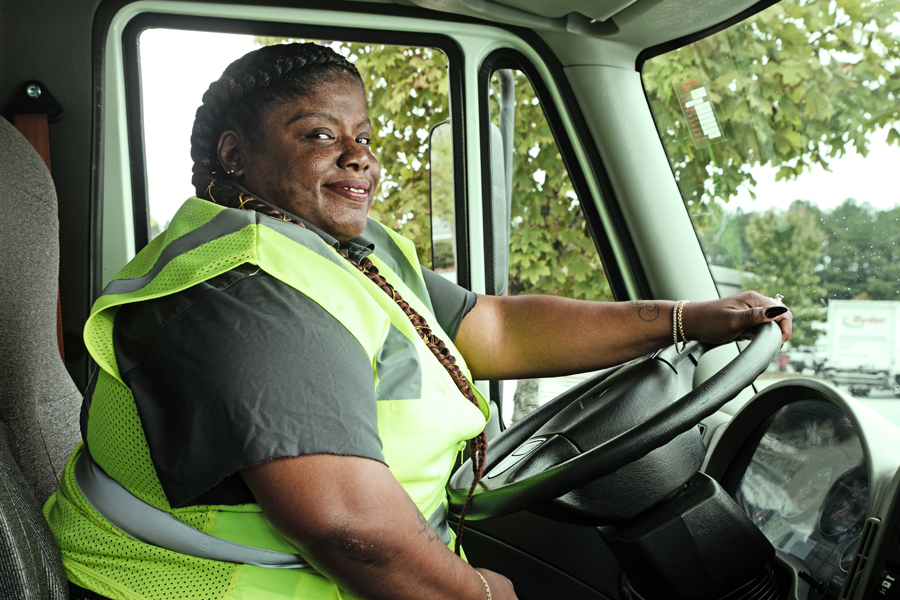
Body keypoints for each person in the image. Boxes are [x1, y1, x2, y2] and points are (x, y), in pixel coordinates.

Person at [46, 42, 792, 600]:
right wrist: (480, 593)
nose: (359, 159)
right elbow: (349, 526)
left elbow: (492, 328)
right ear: (236, 156)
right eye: (319, 136)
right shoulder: (244, 283)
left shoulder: (346, 250)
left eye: (364, 137)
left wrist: (686, 318)